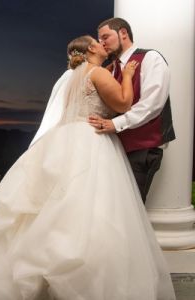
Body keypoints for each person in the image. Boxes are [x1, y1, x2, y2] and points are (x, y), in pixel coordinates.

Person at [0, 35, 176, 300]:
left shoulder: (68, 77)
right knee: (93, 207)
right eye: (98, 42)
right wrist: (128, 75)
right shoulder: (98, 73)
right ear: (91, 48)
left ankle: (42, 266)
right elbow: (123, 104)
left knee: (57, 205)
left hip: (63, 140)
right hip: (91, 139)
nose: (103, 45)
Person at [89, 18, 175, 203]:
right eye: (100, 39)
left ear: (123, 33)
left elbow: (152, 104)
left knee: (130, 209)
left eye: (105, 37)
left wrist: (115, 124)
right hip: (113, 150)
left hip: (142, 150)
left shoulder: (151, 58)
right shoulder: (110, 70)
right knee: (108, 206)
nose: (102, 43)